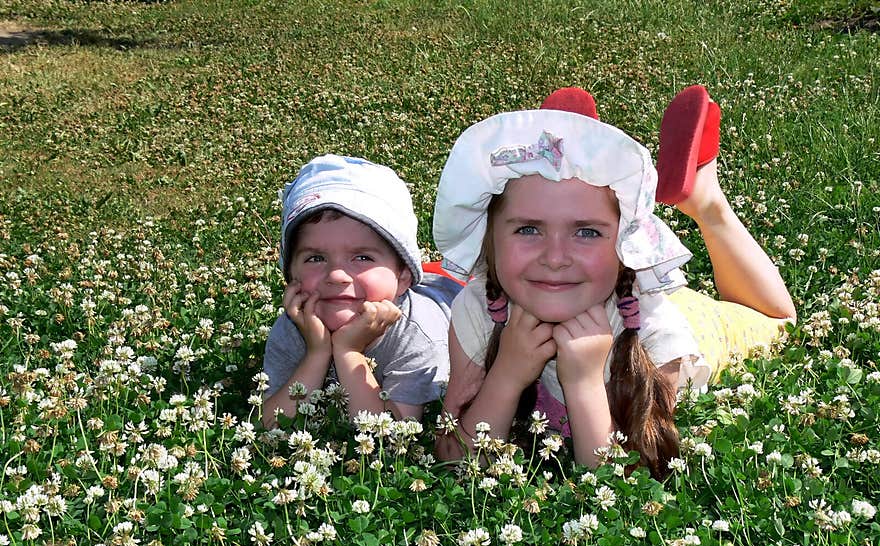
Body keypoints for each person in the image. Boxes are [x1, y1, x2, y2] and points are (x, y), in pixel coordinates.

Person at [432, 85, 796, 478]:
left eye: (586, 232)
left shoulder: (655, 331)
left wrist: (585, 380)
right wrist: (506, 373)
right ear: (490, 239)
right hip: (615, 288)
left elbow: (633, 482)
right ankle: (573, 139)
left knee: (778, 321)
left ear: (625, 243)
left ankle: (707, 202)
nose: (555, 258)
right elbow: (453, 457)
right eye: (528, 230)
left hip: (693, 320)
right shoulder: (477, 309)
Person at [261, 154, 462, 429]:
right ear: (291, 274)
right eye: (315, 258)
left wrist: (348, 352)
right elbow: (270, 426)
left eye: (363, 258)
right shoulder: (293, 327)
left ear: (403, 276)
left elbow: (389, 438)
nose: (336, 275)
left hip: (455, 293)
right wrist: (316, 353)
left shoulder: (418, 336)